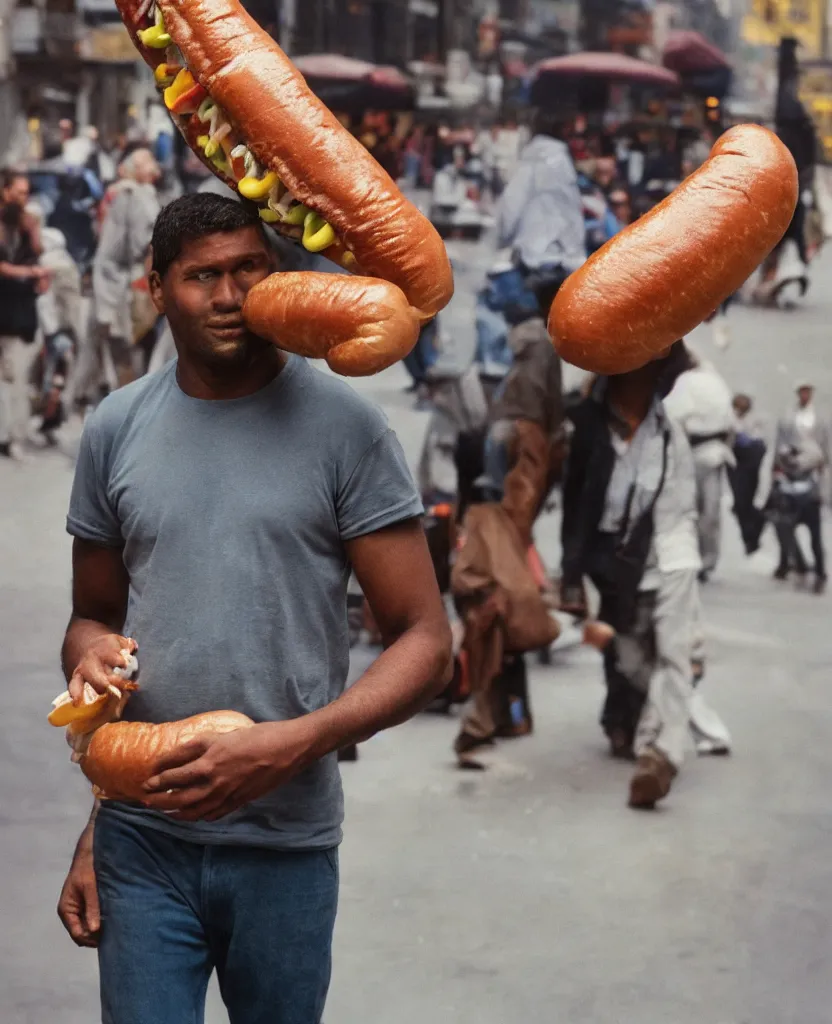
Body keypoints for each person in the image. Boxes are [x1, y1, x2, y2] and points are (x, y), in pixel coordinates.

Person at [56, 194, 452, 1023]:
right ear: (156, 288)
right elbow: (91, 618)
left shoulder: (348, 429)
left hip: (285, 845)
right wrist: (88, 662)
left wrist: (296, 744)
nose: (230, 297)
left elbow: (425, 638)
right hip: (143, 842)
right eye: (203, 277)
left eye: (249, 271)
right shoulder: (115, 428)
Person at [560, 343, 718, 808]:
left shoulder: (670, 433)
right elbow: (575, 507)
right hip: (615, 563)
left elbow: (689, 508)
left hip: (672, 553)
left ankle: (659, 755)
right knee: (629, 659)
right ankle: (656, 725)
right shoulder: (590, 431)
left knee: (672, 653)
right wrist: (572, 574)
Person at [90, 147, 161, 395]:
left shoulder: (127, 193)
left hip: (121, 280)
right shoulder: (130, 194)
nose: (153, 166)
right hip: (126, 283)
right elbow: (140, 243)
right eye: (147, 162)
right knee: (132, 352)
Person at [496, 109, 586, 295]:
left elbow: (510, 208)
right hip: (567, 259)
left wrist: (504, 240)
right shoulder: (564, 163)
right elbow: (574, 212)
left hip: (534, 257)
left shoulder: (530, 163)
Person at [664, 355, 735, 581]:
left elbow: (674, 418)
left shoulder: (689, 382)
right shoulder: (711, 382)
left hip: (702, 451)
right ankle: (704, 558)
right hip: (704, 451)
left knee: (698, 510)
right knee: (706, 511)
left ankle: (703, 559)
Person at [0, 169, 50, 460]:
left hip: (19, 312)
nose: (23, 198)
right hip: (6, 307)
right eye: (18, 192)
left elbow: (38, 254)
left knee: (17, 377)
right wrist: (30, 272)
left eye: (25, 193)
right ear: (4, 191)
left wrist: (33, 231)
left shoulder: (27, 223)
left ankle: (13, 436)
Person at [769, 383, 829, 592]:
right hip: (790, 479)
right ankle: (791, 563)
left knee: (815, 534)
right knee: (785, 526)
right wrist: (776, 475)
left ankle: (820, 571)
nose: (805, 395)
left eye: (808, 392)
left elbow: (826, 452)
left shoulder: (820, 421)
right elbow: (779, 448)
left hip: (811, 483)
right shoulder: (787, 419)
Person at [728, 393, 767, 555]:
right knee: (739, 505)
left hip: (750, 467)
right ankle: (749, 539)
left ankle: (752, 537)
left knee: (747, 504)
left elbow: (760, 444)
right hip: (736, 466)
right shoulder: (730, 420)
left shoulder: (754, 421)